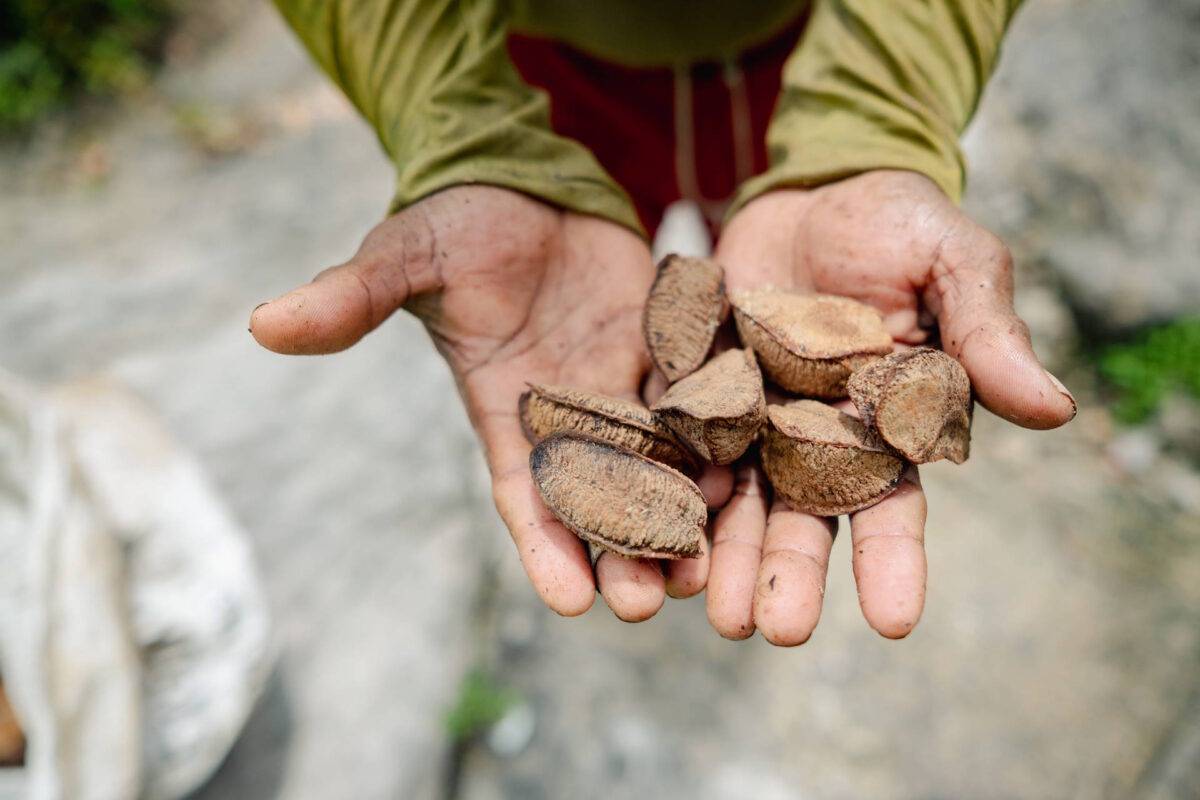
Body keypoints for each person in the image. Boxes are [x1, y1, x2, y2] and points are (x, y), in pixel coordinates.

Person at [249, 0, 1076, 646]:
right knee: (634, 272)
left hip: (822, 55)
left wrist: (877, 122)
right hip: (524, 76)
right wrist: (459, 131)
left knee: (745, 262)